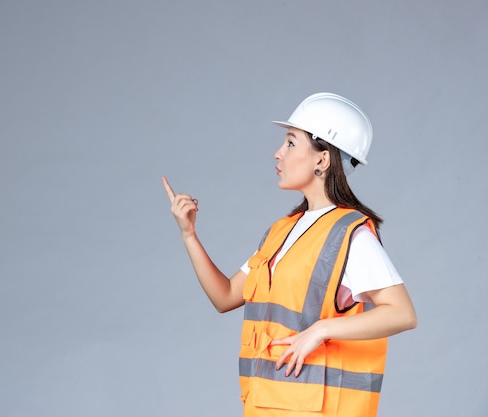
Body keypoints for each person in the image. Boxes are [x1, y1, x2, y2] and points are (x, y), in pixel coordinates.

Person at [161, 92, 417, 417]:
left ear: (322, 159)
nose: (278, 153)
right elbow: (224, 296)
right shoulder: (281, 232)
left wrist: (321, 330)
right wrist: (189, 234)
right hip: (265, 405)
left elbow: (402, 313)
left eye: (291, 143)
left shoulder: (349, 235)